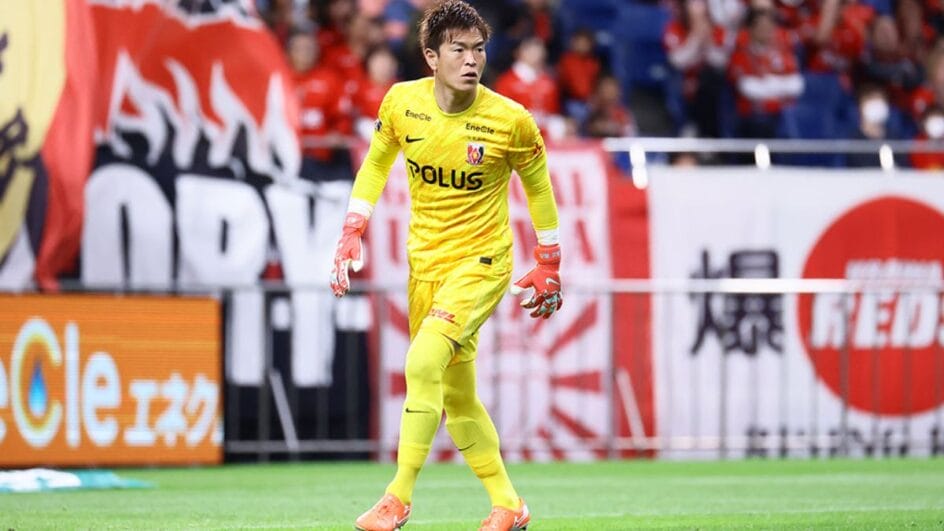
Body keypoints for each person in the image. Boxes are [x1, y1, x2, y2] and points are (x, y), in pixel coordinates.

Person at [328, 2, 562, 530]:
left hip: (482, 262)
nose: (471, 59)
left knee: (421, 363)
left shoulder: (510, 120)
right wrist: (352, 228)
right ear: (432, 56)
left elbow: (539, 188)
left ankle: (397, 497)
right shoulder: (402, 103)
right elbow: (375, 165)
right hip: (425, 265)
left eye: (478, 49)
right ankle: (509, 505)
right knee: (457, 397)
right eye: (458, 49)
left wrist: (549, 259)